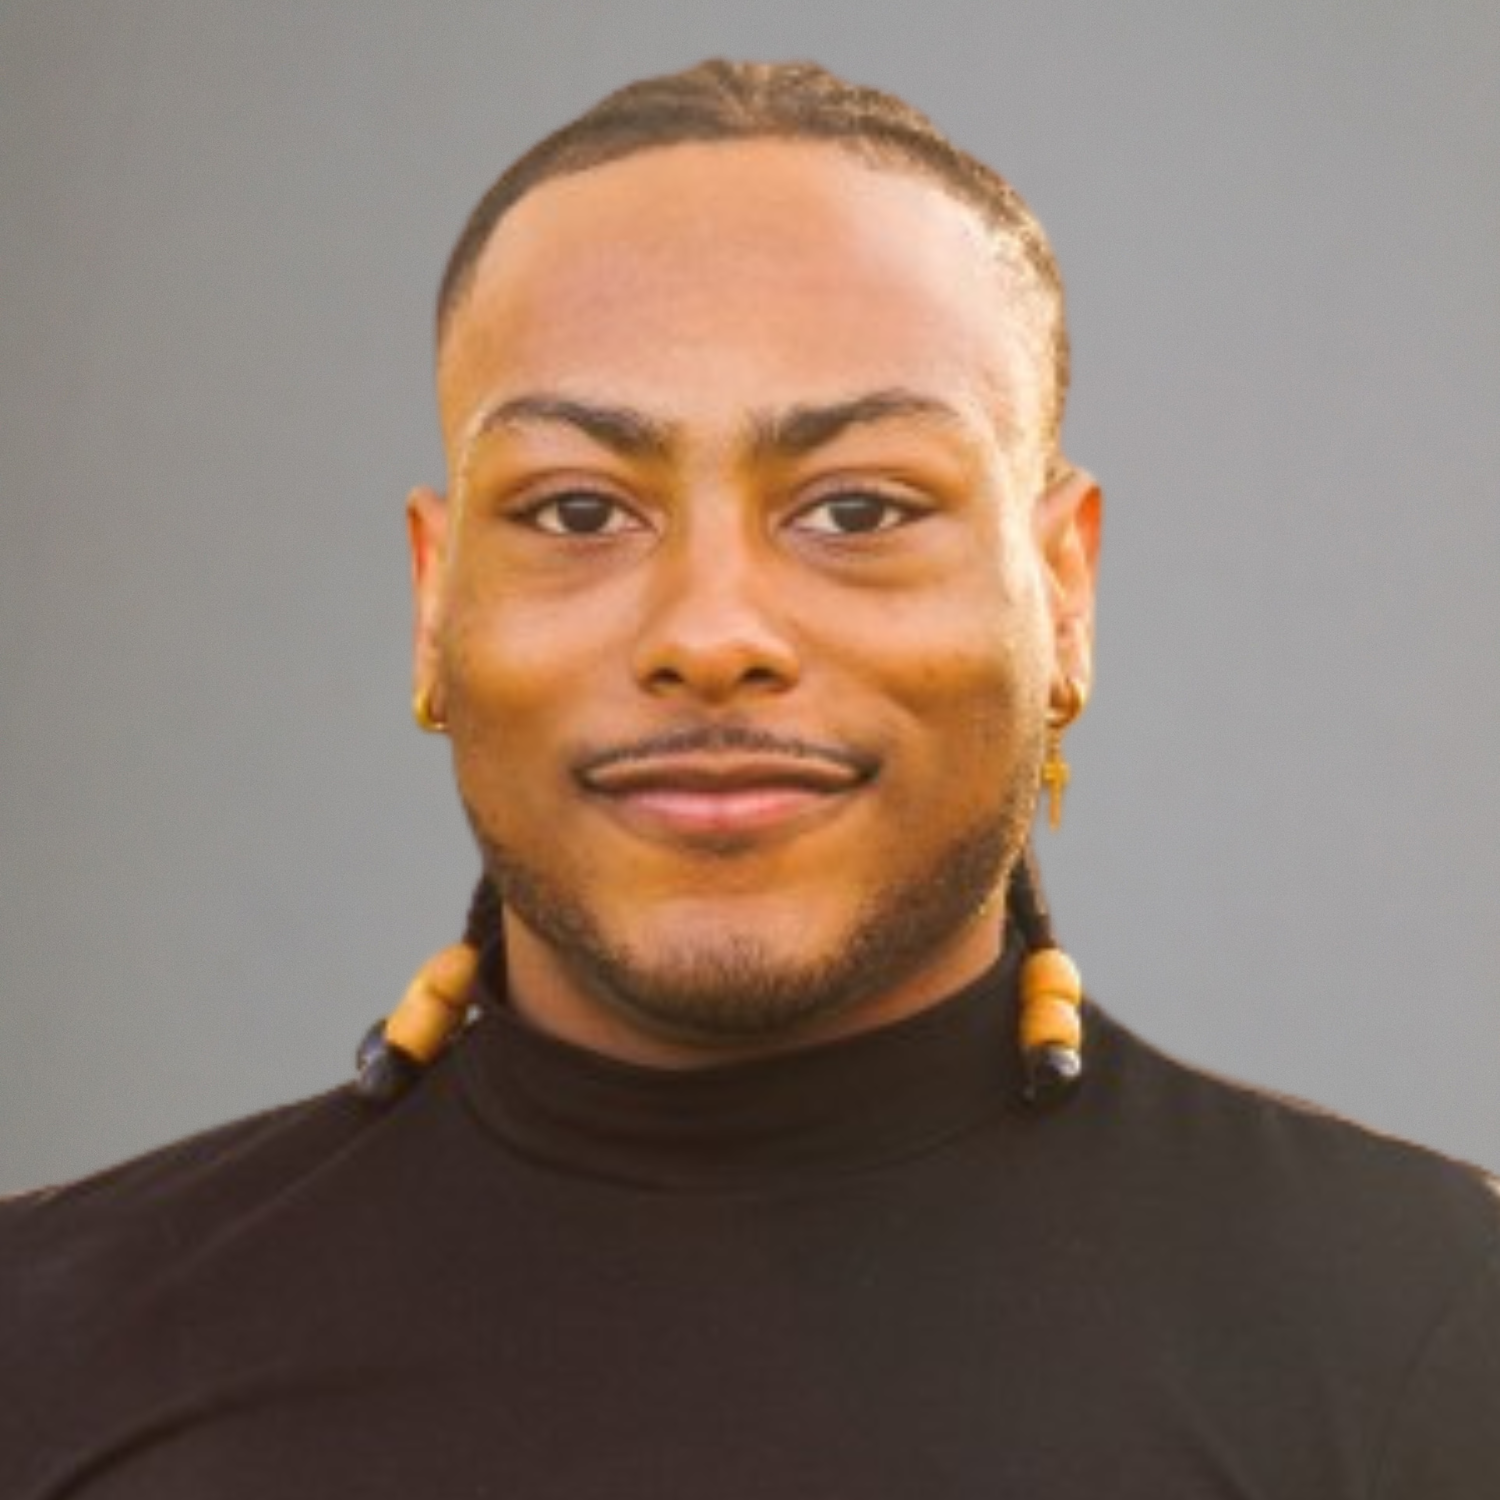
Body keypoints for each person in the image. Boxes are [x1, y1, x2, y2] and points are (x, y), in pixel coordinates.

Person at [2, 59, 1497, 1499]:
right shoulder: (48, 1347)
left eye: (857, 507)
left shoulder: (1435, 1334)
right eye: (579, 508)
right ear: (434, 602)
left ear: (1062, 592)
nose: (712, 634)